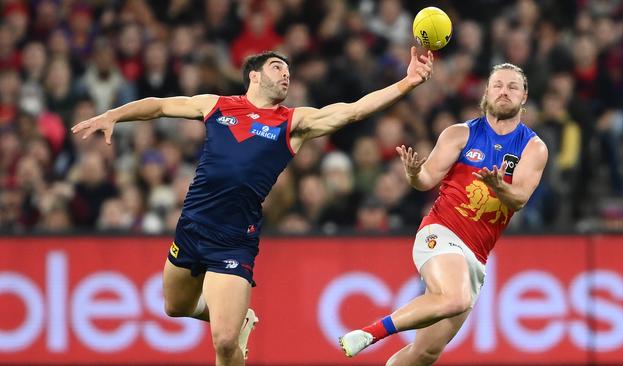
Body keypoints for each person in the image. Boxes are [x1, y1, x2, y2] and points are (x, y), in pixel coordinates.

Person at [71, 48, 434, 366]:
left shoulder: (292, 122)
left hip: (234, 240)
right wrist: (114, 115)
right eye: (278, 68)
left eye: (289, 71)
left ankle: (234, 322)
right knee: (175, 307)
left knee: (225, 342)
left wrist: (407, 82)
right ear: (255, 75)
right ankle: (239, 318)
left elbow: (353, 112)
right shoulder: (217, 105)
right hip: (192, 226)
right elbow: (161, 106)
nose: (286, 75)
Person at [339, 63, 548, 365]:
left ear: (524, 96)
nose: (504, 91)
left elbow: (519, 199)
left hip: (476, 256)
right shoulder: (460, 134)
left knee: (425, 353)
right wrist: (412, 175)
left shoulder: (533, 147)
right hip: (441, 231)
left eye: (513, 87)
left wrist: (500, 187)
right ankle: (370, 333)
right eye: (498, 85)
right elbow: (426, 179)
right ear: (486, 93)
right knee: (454, 297)